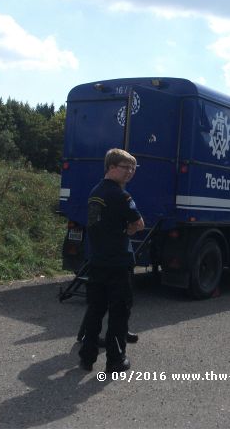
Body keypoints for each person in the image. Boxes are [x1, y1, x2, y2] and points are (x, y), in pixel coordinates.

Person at [78, 148, 144, 373]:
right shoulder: (121, 195)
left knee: (95, 309)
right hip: (117, 263)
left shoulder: (95, 192)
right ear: (111, 167)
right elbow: (139, 223)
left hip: (97, 261)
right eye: (126, 168)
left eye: (133, 168)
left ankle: (86, 357)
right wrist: (128, 230)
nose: (131, 172)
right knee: (119, 312)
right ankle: (116, 360)